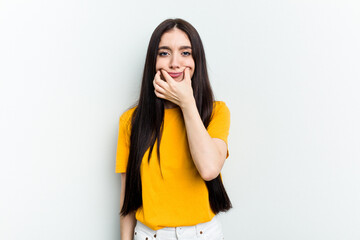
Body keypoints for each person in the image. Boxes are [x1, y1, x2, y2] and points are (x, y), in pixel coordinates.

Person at [115, 18, 232, 240]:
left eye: (185, 53)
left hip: (203, 234)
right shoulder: (130, 121)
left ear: (197, 59)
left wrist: (187, 103)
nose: (175, 63)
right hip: (151, 235)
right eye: (164, 53)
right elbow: (127, 199)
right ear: (153, 61)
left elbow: (209, 169)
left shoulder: (217, 112)